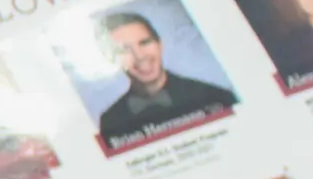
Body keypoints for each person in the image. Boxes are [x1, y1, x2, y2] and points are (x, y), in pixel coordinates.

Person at [93, 11, 236, 148]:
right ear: (110, 59)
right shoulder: (110, 121)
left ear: (160, 45)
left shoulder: (214, 97)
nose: (139, 55)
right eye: (123, 50)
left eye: (144, 43)